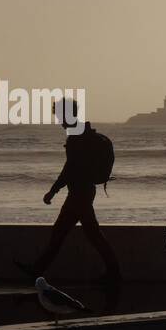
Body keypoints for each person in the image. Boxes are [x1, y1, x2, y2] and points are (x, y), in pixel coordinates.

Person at [19, 100, 121, 283]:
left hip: (80, 194)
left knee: (89, 234)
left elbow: (70, 168)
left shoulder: (76, 137)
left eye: (59, 116)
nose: (59, 121)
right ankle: (37, 270)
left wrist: (52, 191)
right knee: (64, 232)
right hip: (80, 192)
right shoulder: (82, 133)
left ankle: (114, 273)